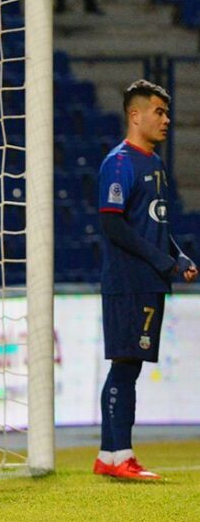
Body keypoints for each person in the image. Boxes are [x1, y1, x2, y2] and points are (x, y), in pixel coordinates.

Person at [95, 80, 197, 480]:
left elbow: (154, 224)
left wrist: (177, 256)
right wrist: (162, 261)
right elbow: (113, 225)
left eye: (167, 112)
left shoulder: (155, 164)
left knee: (129, 366)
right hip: (127, 281)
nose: (166, 119)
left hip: (149, 280)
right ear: (135, 115)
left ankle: (109, 455)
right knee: (125, 365)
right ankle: (121, 455)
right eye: (159, 111)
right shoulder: (119, 163)